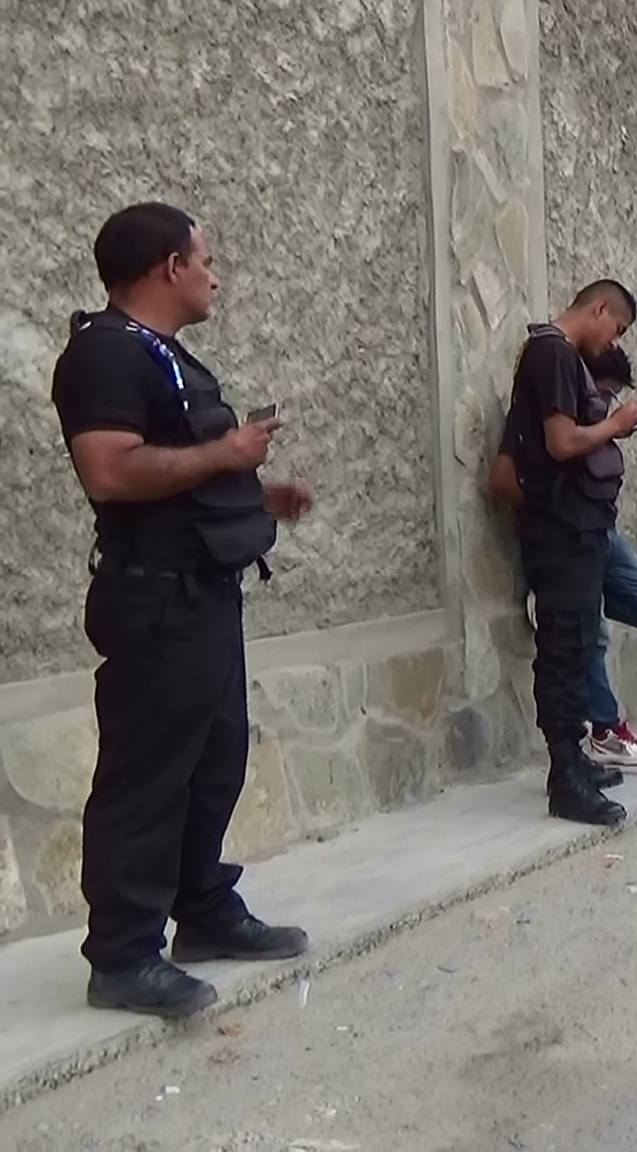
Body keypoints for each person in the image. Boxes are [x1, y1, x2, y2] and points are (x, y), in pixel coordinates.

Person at [50, 202, 316, 1018]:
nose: (215, 274)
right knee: (147, 777)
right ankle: (124, 956)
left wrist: (252, 488)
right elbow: (110, 472)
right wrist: (229, 453)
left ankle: (200, 907)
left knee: (214, 760)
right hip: (153, 599)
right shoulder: (103, 355)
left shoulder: (165, 357)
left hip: (202, 593)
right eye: (205, 259)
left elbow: (175, 469)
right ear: (169, 266)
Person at [506, 279, 637, 827]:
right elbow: (562, 443)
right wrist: (615, 425)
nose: (614, 340)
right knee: (564, 647)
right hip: (561, 529)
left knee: (578, 640)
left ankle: (576, 759)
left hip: (577, 528)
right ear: (599, 308)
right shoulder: (553, 353)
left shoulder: (556, 356)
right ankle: (564, 774)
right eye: (618, 328)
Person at [488, 346, 637, 768]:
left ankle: (587, 609)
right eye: (601, 395)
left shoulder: (595, 423)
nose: (605, 406)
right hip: (567, 537)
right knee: (590, 638)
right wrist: (549, 519)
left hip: (600, 531)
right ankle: (605, 731)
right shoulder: (548, 413)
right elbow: (501, 479)